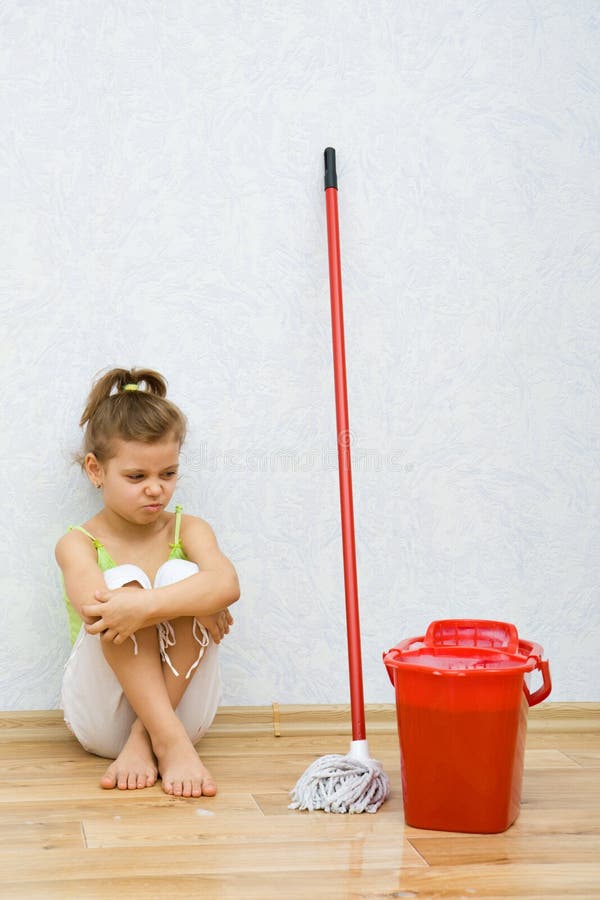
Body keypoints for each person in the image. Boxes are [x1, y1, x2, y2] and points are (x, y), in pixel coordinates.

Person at [55, 367, 240, 798]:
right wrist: (188, 601)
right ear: (96, 470)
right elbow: (97, 610)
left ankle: (152, 739)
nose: (156, 490)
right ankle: (157, 739)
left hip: (185, 716)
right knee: (124, 586)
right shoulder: (76, 544)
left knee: (182, 575)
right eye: (137, 477)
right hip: (101, 720)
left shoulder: (189, 529)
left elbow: (227, 583)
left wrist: (159, 602)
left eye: (168, 474)